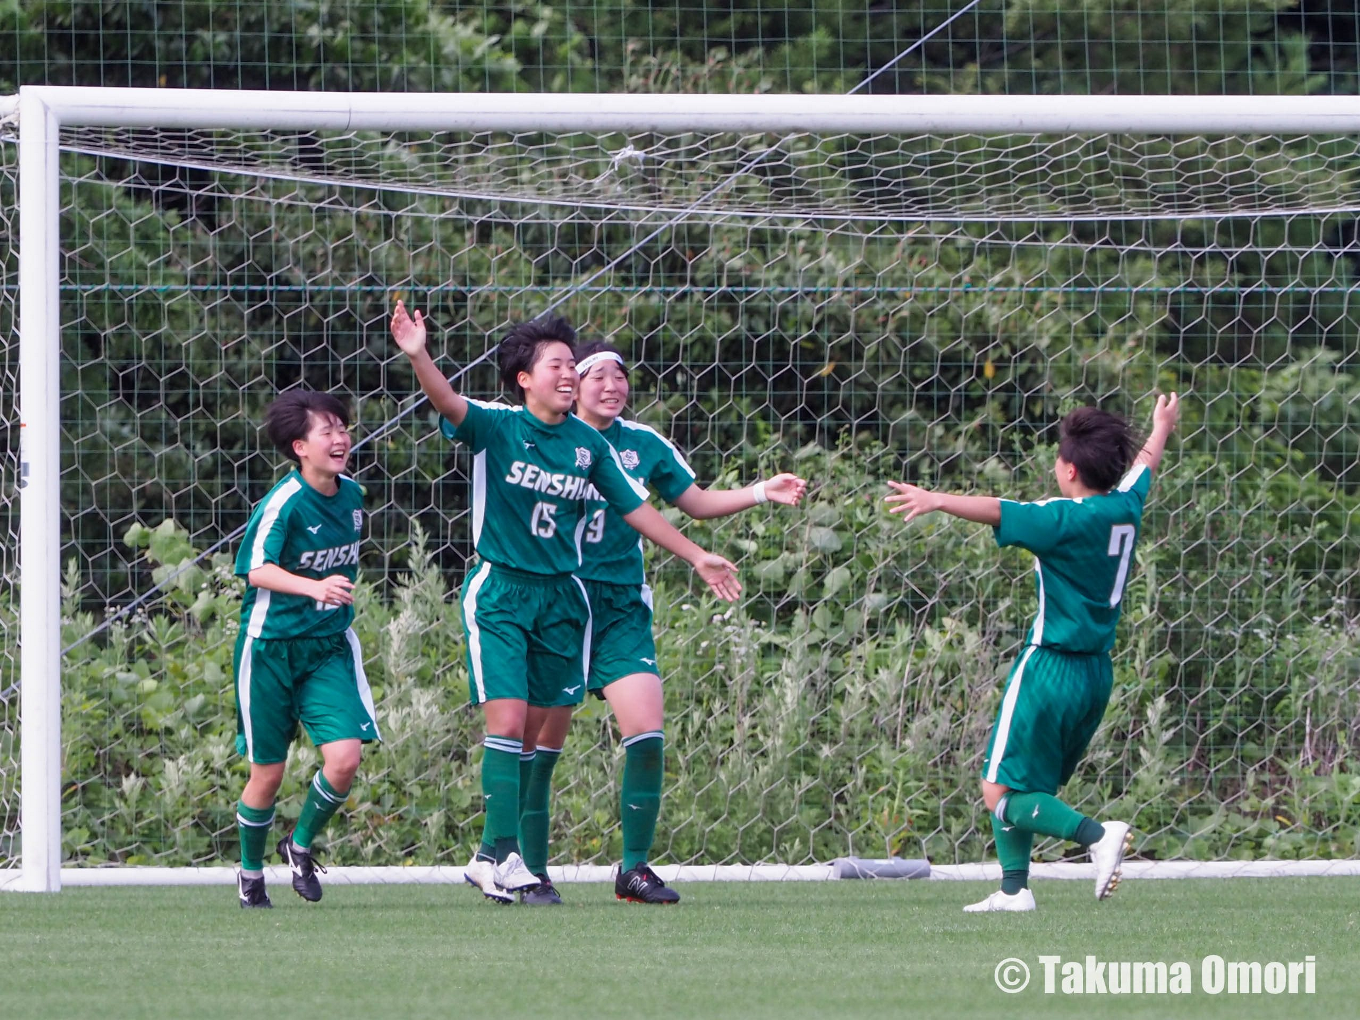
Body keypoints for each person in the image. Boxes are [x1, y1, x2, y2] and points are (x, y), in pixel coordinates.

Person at [390, 301, 742, 903]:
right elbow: (448, 405)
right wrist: (420, 354)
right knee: (506, 725)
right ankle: (501, 857)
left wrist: (695, 556)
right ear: (526, 378)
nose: (570, 373)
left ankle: (495, 857)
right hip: (501, 592)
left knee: (537, 736)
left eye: (572, 363)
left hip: (562, 601)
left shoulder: (588, 445)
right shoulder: (498, 426)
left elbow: (636, 509)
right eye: (558, 364)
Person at [518, 341, 807, 905]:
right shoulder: (552, 440)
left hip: (622, 606)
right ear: (571, 384)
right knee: (541, 746)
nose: (611, 385)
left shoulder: (644, 444)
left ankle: (633, 869)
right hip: (560, 603)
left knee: (647, 732)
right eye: (597, 375)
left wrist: (759, 492)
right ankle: (528, 868)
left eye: (620, 377)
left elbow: (693, 501)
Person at [884, 393, 1180, 912]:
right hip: (1095, 673)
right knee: (1024, 783)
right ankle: (1014, 891)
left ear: (1068, 468)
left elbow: (999, 509)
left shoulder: (1062, 519)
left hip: (1049, 668)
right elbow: (1143, 467)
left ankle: (1095, 836)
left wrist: (936, 498)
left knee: (999, 792)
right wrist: (1161, 427)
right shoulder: (1125, 506)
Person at [232, 390, 380, 908]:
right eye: (327, 430)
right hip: (270, 651)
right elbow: (253, 569)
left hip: (327, 649)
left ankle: (298, 847)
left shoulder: (354, 496)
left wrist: (328, 598)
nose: (341, 438)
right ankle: (251, 876)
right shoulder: (282, 504)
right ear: (300, 446)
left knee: (344, 759)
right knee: (267, 775)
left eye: (343, 426)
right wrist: (312, 585)